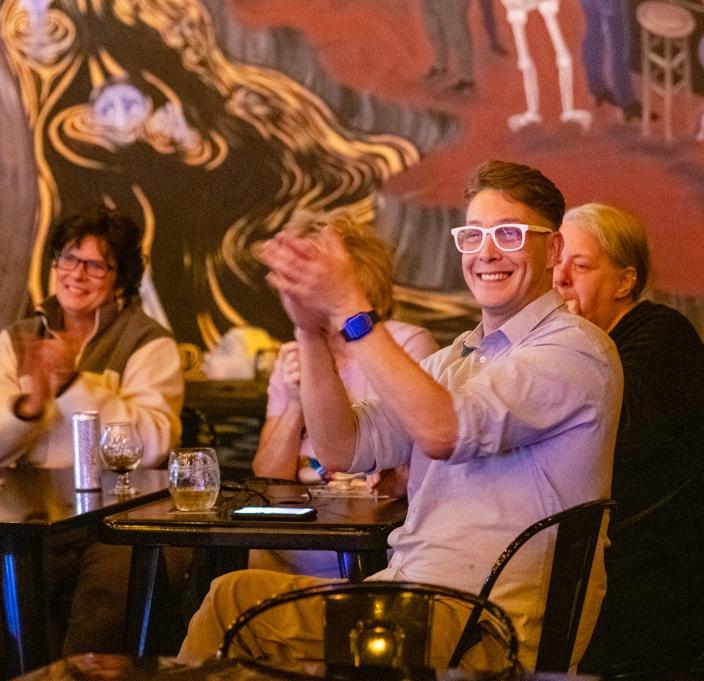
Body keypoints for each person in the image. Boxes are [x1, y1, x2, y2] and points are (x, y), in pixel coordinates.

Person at [177, 160, 623, 672]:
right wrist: (308, 329)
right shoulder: (457, 358)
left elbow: (442, 430)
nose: (486, 253)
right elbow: (342, 448)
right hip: (413, 603)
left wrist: (350, 307)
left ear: (555, 249)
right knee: (232, 595)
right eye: (472, 236)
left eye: (509, 233)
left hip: (485, 624)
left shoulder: (575, 350)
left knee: (234, 609)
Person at [0, 205, 185, 656]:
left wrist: (74, 386)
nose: (77, 274)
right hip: (36, 517)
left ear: (120, 280)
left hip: (120, 519)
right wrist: (27, 407)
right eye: (68, 259)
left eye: (96, 264)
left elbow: (153, 445)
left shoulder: (148, 341)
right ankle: (60, 669)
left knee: (105, 608)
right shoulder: (20, 338)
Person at [553, 203, 704, 673]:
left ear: (625, 282)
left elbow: (612, 437)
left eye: (580, 265)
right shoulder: (568, 345)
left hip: (648, 580)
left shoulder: (662, 334)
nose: (560, 278)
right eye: (555, 263)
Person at [250, 208, 438, 577]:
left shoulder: (403, 344)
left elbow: (420, 466)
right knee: (243, 569)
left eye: (312, 273)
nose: (300, 288)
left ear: (359, 276)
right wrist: (292, 403)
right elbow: (267, 477)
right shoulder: (295, 353)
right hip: (297, 530)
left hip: (371, 534)